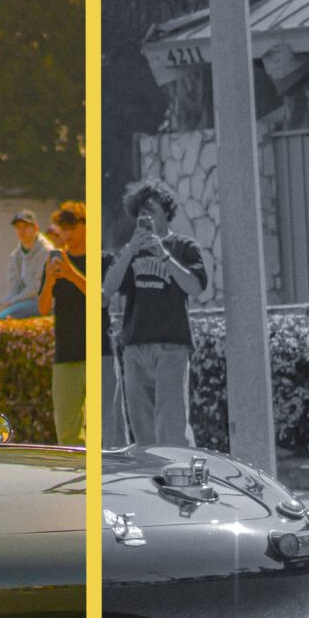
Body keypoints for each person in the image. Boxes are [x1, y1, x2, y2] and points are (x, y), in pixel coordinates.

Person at [106, 180, 206, 448]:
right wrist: (129, 251)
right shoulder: (131, 252)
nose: (146, 216)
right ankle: (150, 485)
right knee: (143, 433)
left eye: (152, 210)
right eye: (141, 212)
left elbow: (195, 287)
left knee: (171, 428)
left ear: (166, 212)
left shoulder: (185, 247)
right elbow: (108, 289)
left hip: (171, 346)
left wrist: (163, 255)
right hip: (135, 348)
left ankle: (183, 482)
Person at [39, 202, 92, 447]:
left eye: (72, 228)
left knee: (100, 432)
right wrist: (50, 281)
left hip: (97, 355)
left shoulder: (100, 259)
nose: (67, 235)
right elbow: (42, 308)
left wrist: (71, 274)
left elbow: (100, 298)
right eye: (64, 229)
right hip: (65, 355)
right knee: (67, 434)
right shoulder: (55, 263)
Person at [0, 212, 54, 319]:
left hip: (41, 302)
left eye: (26, 227)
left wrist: (10, 303)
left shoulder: (46, 252)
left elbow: (34, 289)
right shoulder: (15, 256)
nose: (22, 231)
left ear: (35, 228)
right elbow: (14, 287)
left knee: (0, 318)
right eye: (18, 228)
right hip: (22, 302)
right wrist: (4, 303)